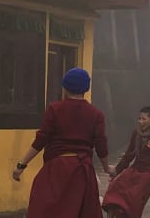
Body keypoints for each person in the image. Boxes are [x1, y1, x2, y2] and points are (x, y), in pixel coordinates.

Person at [12, 67, 113, 218]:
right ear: (86, 88)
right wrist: (107, 168)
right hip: (82, 171)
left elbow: (41, 139)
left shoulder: (55, 109)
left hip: (57, 168)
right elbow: (101, 145)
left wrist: (21, 165)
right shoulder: (96, 114)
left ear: (64, 86)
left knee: (45, 209)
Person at [101, 106, 150, 218]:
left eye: (144, 119)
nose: (140, 121)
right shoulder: (136, 133)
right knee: (115, 187)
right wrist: (116, 170)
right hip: (136, 168)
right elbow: (129, 154)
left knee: (134, 196)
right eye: (139, 118)